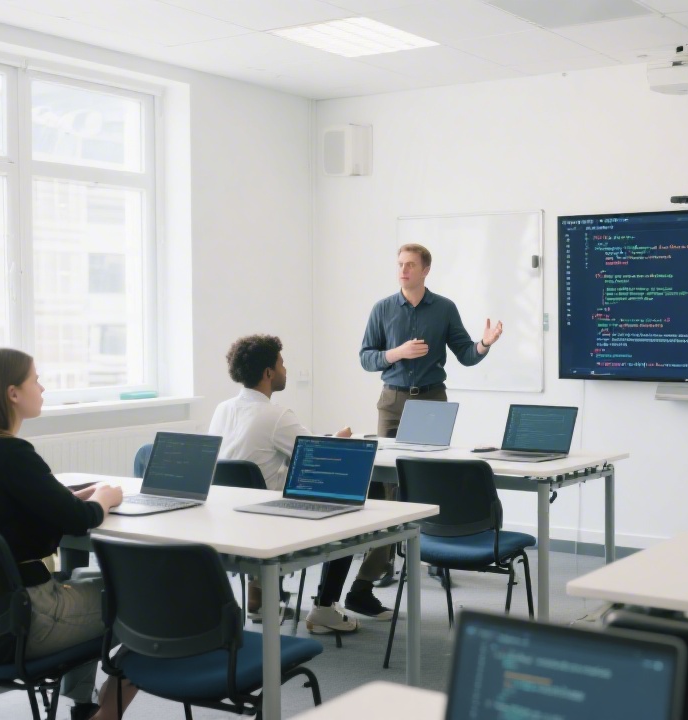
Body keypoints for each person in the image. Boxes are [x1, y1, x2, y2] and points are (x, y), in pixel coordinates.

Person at [0, 349, 136, 720]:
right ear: (13, 393)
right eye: (36, 379)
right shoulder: (11, 452)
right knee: (146, 599)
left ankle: (82, 706)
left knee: (84, 576)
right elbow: (80, 519)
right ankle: (104, 715)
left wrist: (64, 499)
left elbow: (11, 509)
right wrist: (103, 498)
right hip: (25, 620)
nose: (43, 387)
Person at [354, 243, 504, 593]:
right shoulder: (383, 308)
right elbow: (365, 357)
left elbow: (467, 355)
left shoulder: (445, 308)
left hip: (432, 402)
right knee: (387, 486)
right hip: (392, 402)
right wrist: (397, 353)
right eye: (399, 264)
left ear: (425, 270)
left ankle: (438, 558)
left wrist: (484, 343)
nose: (403, 270)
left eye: (410, 265)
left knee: (430, 481)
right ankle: (383, 561)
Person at [207, 334, 377, 632]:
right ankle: (324, 609)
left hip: (226, 521)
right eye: (282, 364)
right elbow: (318, 455)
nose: (285, 370)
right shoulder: (276, 415)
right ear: (268, 373)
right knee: (349, 524)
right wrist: (340, 438)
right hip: (271, 524)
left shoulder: (223, 409)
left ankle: (259, 591)